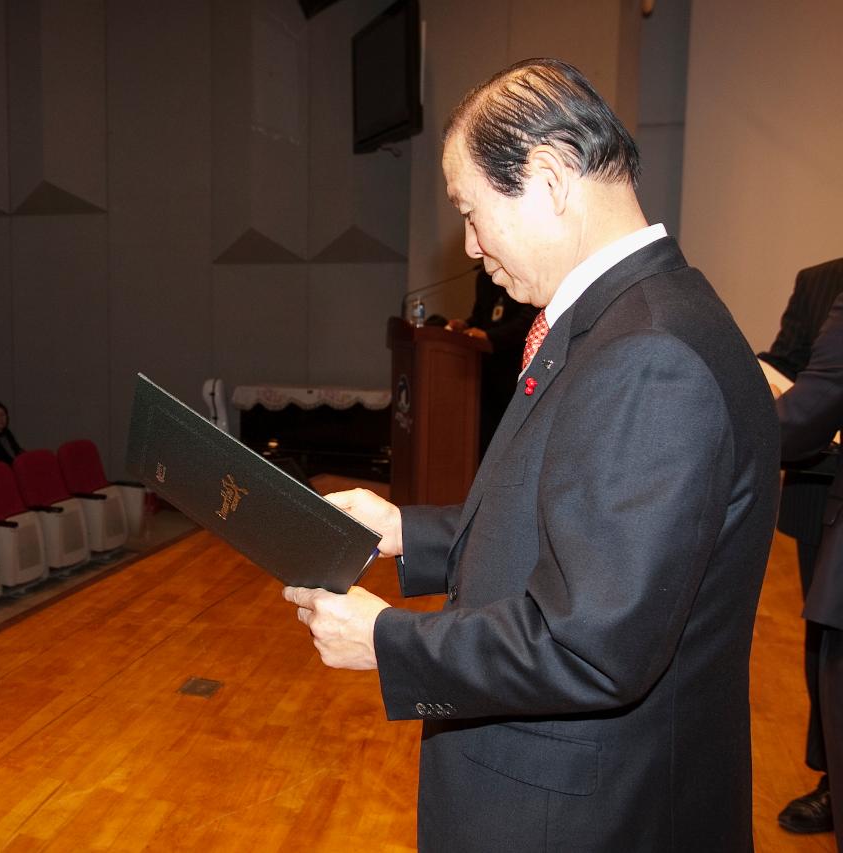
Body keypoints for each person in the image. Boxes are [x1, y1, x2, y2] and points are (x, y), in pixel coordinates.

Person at [284, 58, 778, 852]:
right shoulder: (638, 316)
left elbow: (589, 643)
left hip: (583, 814)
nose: (472, 245)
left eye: (472, 212)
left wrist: (386, 640)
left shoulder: (649, 353)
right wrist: (409, 531)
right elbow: (575, 517)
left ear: (549, 179)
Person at [758, 257, 843, 834]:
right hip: (819, 492)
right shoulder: (818, 279)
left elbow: (818, 400)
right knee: (821, 643)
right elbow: (785, 364)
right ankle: (830, 775)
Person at [446, 267, 540, 457]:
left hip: (513, 364)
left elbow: (527, 321)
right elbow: (481, 316)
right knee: (484, 432)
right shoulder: (483, 277)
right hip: (484, 367)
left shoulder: (523, 271)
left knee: (507, 430)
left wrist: (489, 336)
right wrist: (466, 325)